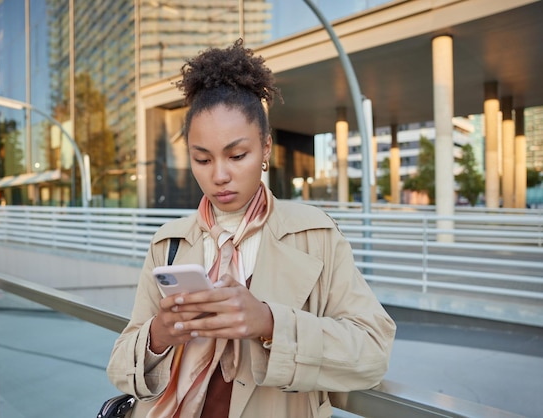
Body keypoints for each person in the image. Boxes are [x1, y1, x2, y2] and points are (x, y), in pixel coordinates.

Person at [107, 39, 396, 418]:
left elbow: (373, 352)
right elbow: (119, 367)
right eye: (202, 159)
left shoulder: (316, 236)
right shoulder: (169, 244)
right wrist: (159, 336)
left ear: (266, 150)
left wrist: (270, 322)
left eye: (237, 155)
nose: (219, 175)